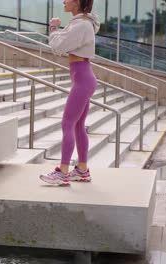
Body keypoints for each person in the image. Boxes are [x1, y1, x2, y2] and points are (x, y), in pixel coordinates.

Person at [39, 0, 99, 187]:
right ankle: (81, 170)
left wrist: (53, 28)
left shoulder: (81, 25)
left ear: (78, 2)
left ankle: (63, 173)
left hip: (82, 79)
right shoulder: (81, 23)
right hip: (84, 77)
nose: (63, 1)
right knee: (78, 125)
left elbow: (57, 47)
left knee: (68, 123)